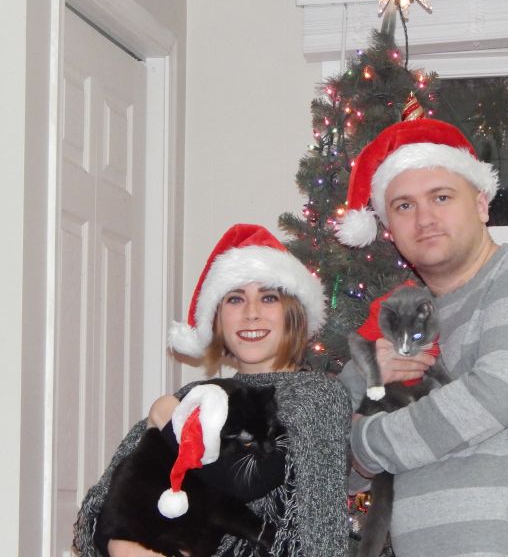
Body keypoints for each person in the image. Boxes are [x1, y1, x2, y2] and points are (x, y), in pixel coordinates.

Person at [335, 119, 508, 557]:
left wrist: (366, 442)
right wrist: (366, 377)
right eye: (403, 206)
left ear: (481, 204)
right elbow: (332, 454)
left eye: (441, 197)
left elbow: (488, 398)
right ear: (389, 228)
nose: (424, 218)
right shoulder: (404, 318)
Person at [73, 223, 351, 557]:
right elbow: (104, 504)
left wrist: (170, 422)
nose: (251, 314)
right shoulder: (198, 394)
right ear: (217, 319)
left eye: (268, 297)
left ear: (293, 314)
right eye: (235, 299)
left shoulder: (318, 397)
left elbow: (248, 484)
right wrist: (121, 542)